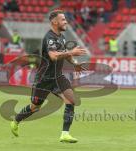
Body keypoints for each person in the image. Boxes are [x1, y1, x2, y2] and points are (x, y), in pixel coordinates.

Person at [10, 10, 87, 143]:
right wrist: (71, 51)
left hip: (58, 77)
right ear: (54, 22)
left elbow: (65, 54)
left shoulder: (61, 37)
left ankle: (65, 134)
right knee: (35, 107)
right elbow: (53, 56)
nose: (66, 21)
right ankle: (16, 120)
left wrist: (75, 63)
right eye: (63, 19)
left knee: (71, 100)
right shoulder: (49, 38)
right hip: (44, 79)